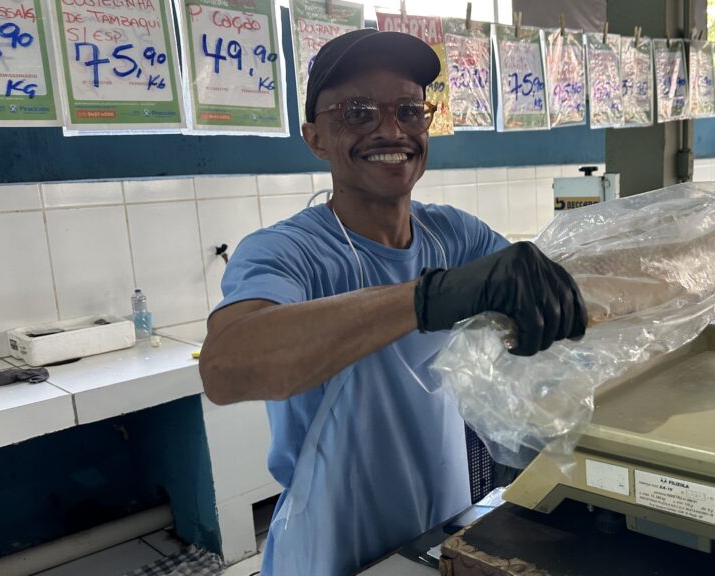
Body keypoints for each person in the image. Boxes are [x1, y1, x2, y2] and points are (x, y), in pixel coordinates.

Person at [198, 29, 587, 575]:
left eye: (409, 110)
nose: (391, 130)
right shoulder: (288, 251)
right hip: (331, 539)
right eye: (358, 112)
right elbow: (226, 367)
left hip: (444, 525)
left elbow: (566, 291)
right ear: (314, 137)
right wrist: (428, 298)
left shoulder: (453, 235)